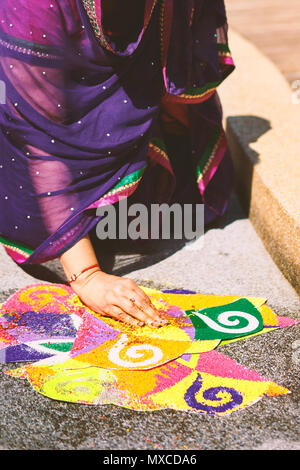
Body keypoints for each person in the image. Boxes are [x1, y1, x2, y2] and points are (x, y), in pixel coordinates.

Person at [0, 0, 235, 327]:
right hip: (37, 125)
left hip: (122, 116)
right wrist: (87, 276)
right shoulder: (32, 5)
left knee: (176, 208)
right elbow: (34, 131)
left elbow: (185, 69)